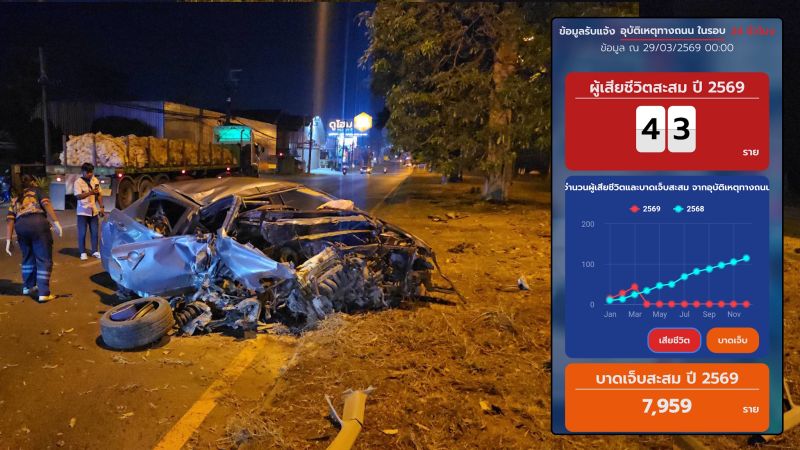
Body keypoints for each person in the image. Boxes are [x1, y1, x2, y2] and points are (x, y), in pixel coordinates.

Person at [5, 174, 63, 302]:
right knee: (43, 259)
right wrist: (56, 222)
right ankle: (44, 293)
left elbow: (10, 220)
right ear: (33, 182)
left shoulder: (16, 197)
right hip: (38, 225)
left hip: (21, 228)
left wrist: (8, 241)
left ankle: (28, 286)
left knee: (27, 257)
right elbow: (46, 205)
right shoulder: (38, 191)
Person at [74, 163, 105, 260]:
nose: (90, 174)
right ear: (83, 172)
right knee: (82, 233)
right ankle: (82, 252)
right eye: (88, 172)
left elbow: (99, 194)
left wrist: (101, 207)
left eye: (91, 172)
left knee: (95, 232)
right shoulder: (78, 182)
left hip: (93, 210)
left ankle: (95, 251)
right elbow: (78, 196)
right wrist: (90, 193)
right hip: (82, 211)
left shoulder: (95, 180)